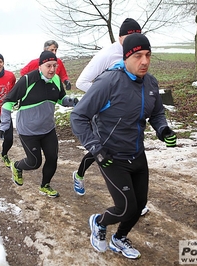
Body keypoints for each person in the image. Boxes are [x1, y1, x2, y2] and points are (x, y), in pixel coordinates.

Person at [70, 33, 177, 259]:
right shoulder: (108, 82)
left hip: (137, 153)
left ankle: (118, 238)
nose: (144, 61)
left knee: (139, 205)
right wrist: (96, 149)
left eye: (148, 55)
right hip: (111, 156)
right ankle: (98, 223)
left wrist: (163, 129)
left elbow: (156, 112)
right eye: (138, 56)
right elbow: (78, 117)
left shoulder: (150, 82)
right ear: (126, 57)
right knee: (126, 207)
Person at [72, 18, 142, 194]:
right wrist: (105, 100)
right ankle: (80, 175)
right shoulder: (107, 55)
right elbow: (82, 82)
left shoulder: (137, 55)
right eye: (129, 37)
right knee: (105, 148)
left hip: (128, 113)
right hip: (107, 113)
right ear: (120, 38)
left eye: (138, 36)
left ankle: (133, 198)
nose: (134, 42)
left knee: (128, 147)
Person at [0, 51, 78, 197]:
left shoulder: (55, 80)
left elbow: (61, 99)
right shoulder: (27, 80)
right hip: (28, 130)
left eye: (55, 65)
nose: (52, 69)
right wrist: (4, 124)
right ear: (40, 66)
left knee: (52, 158)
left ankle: (45, 186)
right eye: (48, 66)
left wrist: (70, 101)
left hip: (48, 128)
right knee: (34, 162)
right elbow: (8, 102)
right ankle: (16, 166)